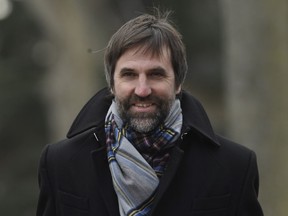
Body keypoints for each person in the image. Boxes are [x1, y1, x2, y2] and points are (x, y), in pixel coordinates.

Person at [36, 9, 264, 216]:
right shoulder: (60, 163)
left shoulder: (234, 167)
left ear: (178, 83)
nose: (142, 89)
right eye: (129, 75)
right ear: (112, 84)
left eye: (156, 74)